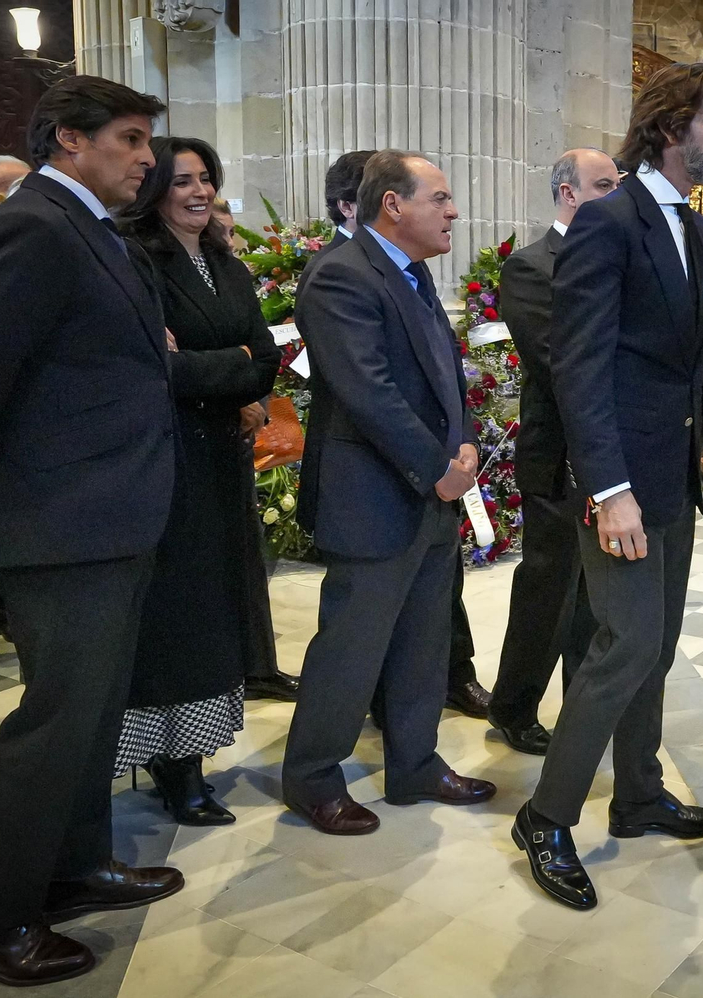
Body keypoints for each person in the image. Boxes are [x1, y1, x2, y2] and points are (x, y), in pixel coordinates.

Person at [0, 75, 184, 986]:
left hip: (107, 511)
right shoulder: (34, 224)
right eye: (131, 138)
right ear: (70, 140)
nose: (148, 158)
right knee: (55, 721)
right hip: (62, 517)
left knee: (92, 715)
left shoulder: (80, 225)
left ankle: (70, 869)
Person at [513, 62, 703, 911]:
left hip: (671, 476)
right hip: (620, 481)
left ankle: (639, 793)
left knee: (652, 647)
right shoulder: (609, 222)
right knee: (622, 646)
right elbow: (579, 368)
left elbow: (698, 359)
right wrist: (607, 487)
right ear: (670, 128)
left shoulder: (692, 231)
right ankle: (546, 819)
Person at [282, 149, 497, 835]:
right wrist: (437, 465)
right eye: (440, 197)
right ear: (392, 205)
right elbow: (366, 391)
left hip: (429, 491)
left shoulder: (411, 273)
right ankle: (313, 778)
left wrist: (461, 441)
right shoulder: (341, 276)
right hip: (372, 496)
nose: (454, 210)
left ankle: (414, 763)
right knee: (352, 647)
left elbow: (442, 370)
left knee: (423, 642)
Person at [118, 137, 281, 825]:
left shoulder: (221, 261)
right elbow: (156, 369)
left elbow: (267, 357)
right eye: (181, 179)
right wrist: (230, 366)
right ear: (153, 187)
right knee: (173, 614)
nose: (198, 190)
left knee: (216, 609)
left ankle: (196, 751)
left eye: (206, 177)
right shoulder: (137, 259)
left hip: (218, 457)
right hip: (165, 460)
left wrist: (227, 364)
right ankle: (170, 764)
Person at [487, 147, 617, 756]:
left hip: (610, 451)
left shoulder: (616, 258)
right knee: (551, 583)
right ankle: (513, 705)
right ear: (568, 194)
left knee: (599, 593)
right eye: (603, 185)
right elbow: (558, 360)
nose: (615, 195)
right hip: (559, 448)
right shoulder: (533, 266)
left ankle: (583, 701)